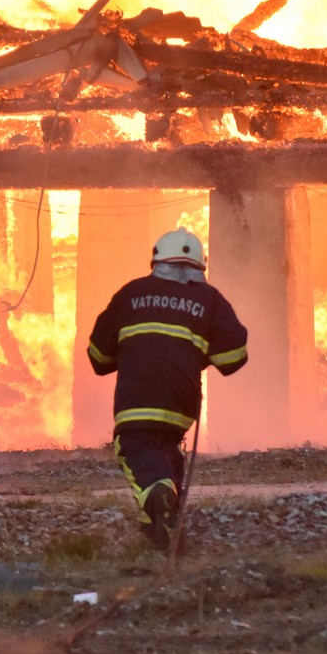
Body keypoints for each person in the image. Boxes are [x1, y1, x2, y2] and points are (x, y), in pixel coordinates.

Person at [86, 228, 248, 552]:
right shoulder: (210, 300)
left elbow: (98, 357)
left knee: (135, 448)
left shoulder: (131, 294)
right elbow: (233, 357)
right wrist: (197, 350)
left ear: (156, 261)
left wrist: (135, 347)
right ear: (200, 266)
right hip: (180, 405)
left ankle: (159, 498)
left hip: (136, 402)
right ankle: (160, 527)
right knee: (165, 449)